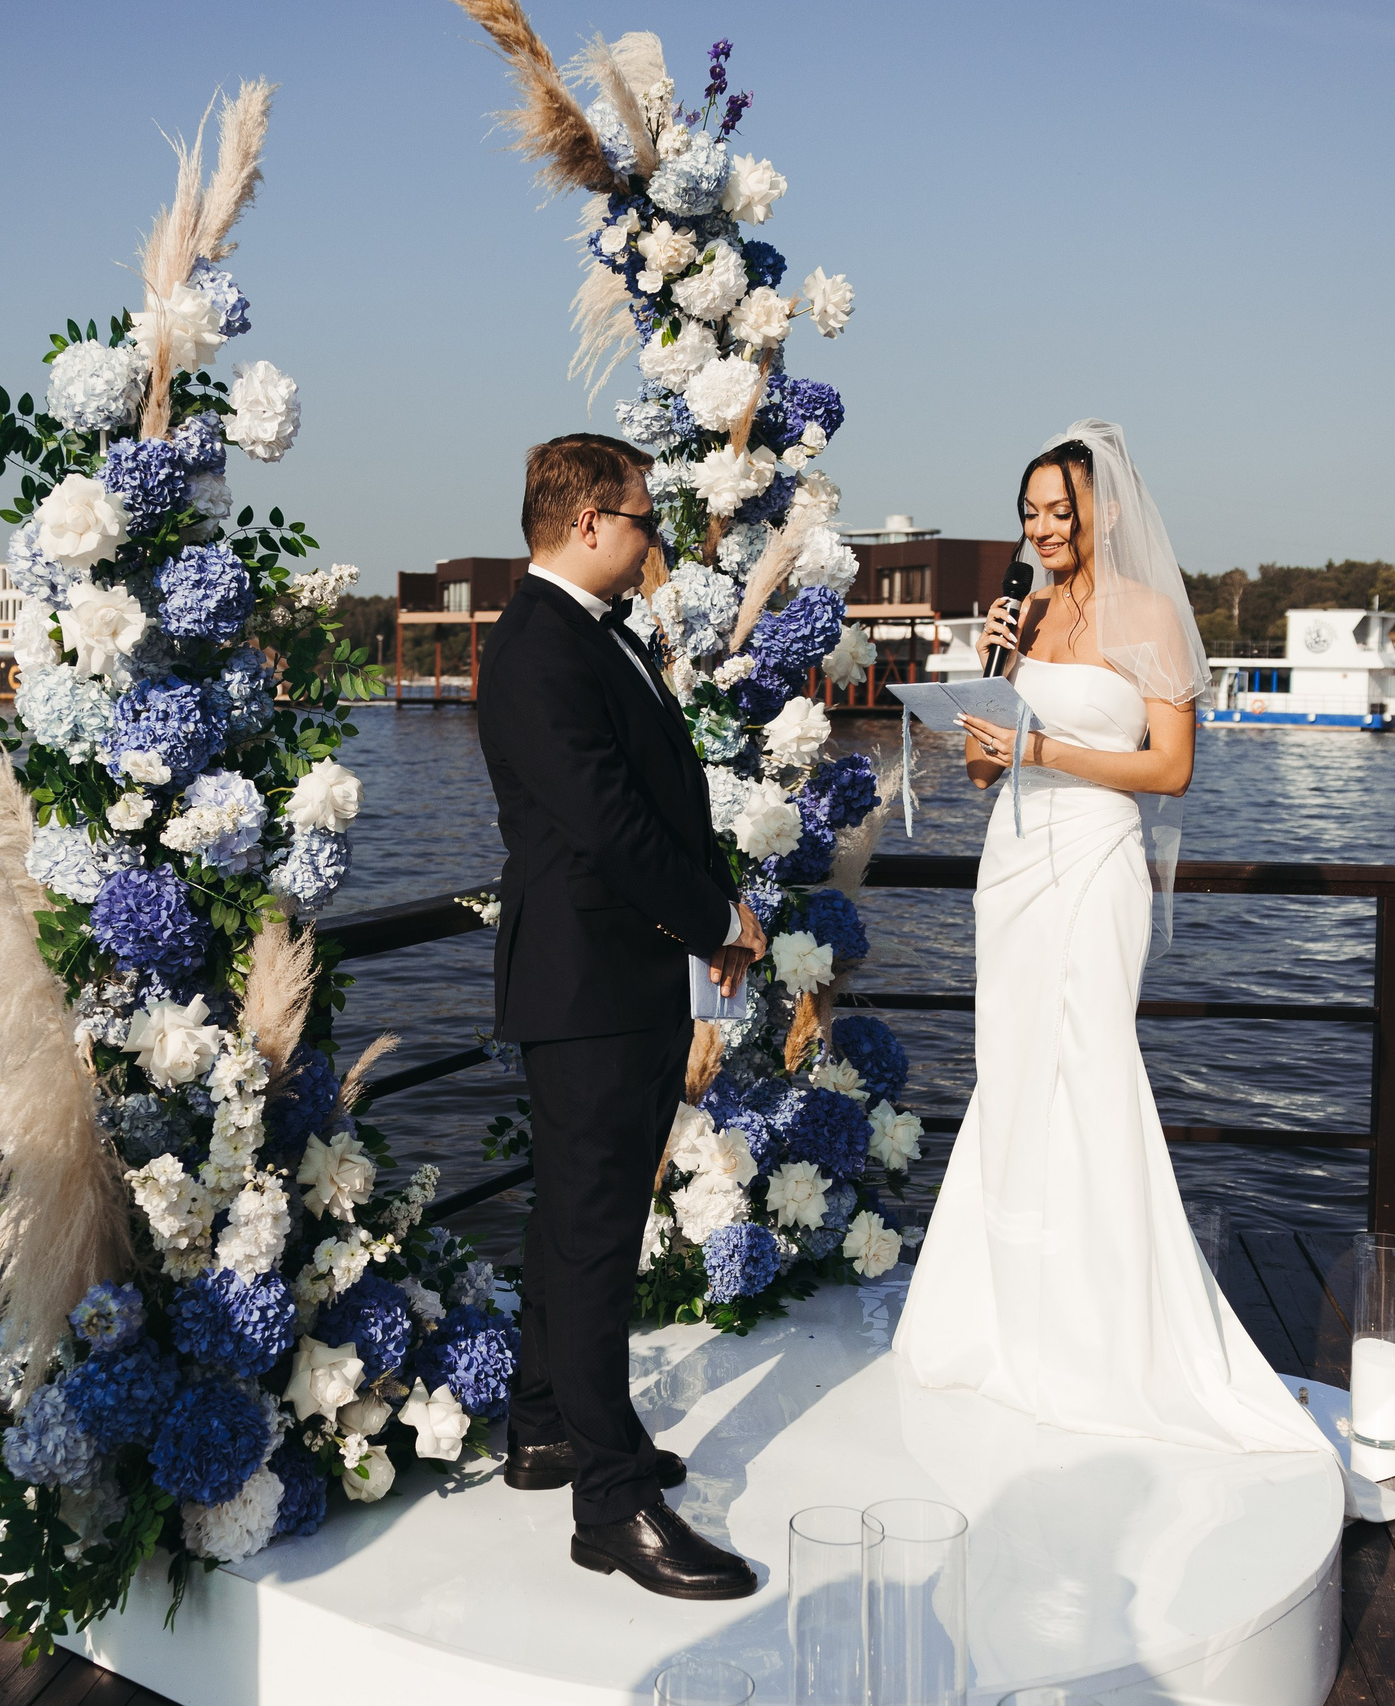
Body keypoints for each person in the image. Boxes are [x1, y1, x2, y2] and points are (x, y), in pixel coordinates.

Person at [889, 420, 1395, 1523]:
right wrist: (984, 729)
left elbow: (1169, 769)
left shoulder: (1150, 615)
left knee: (1090, 1072)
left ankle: (1109, 1340)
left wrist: (1036, 748)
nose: (1036, 530)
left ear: (1105, 510)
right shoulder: (1023, 611)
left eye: (1054, 512)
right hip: (1015, 859)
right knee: (1014, 1073)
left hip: (1092, 861)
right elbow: (993, 769)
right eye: (1026, 514)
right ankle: (1008, 1320)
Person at [476, 433, 771, 1598]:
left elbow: (655, 800)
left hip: (614, 978)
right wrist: (715, 919)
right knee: (598, 1238)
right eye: (645, 520)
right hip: (589, 986)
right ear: (589, 520)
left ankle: (546, 1424)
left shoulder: (592, 634)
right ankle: (612, 1503)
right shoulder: (539, 645)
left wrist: (714, 902)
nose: (655, 542)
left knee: (572, 1220)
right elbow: (606, 821)